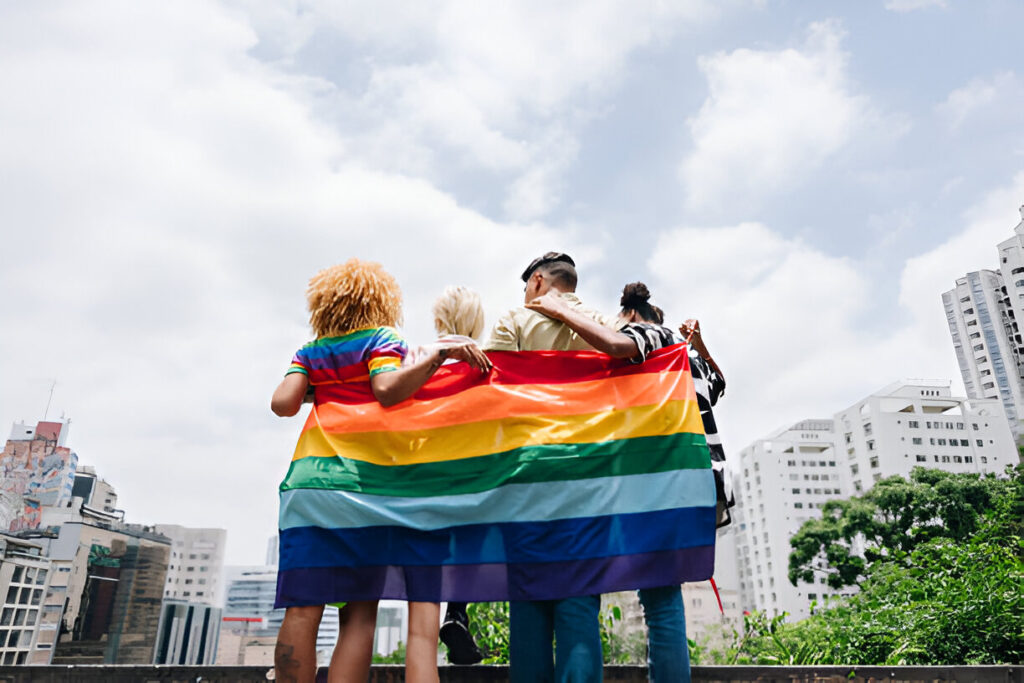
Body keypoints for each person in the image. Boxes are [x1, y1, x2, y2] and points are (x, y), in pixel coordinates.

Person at [271, 259, 490, 683]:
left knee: (302, 606)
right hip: (361, 489)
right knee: (360, 612)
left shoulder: (310, 351)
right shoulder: (383, 339)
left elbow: (283, 404)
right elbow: (387, 390)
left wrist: (322, 380)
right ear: (381, 301)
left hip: (307, 487)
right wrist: (442, 352)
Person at [525, 281, 727, 683]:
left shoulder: (656, 335)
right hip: (701, 482)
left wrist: (559, 310)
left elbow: (617, 347)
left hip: (662, 480)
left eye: (621, 320)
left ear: (633, 315)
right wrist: (701, 344)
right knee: (662, 593)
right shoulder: (689, 356)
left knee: (616, 586)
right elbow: (720, 385)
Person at [483, 251, 616, 683]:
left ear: (538, 281)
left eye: (526, 286)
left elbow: (489, 392)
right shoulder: (606, 326)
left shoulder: (514, 322)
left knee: (527, 599)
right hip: (589, 476)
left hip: (526, 476)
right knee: (578, 601)